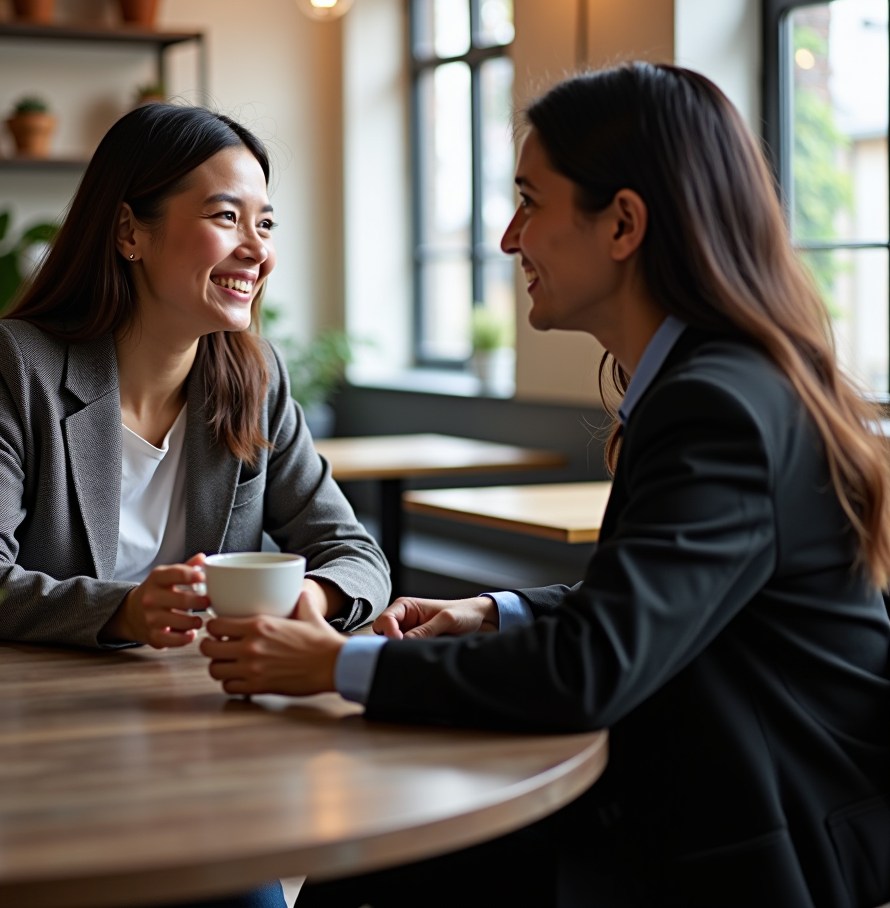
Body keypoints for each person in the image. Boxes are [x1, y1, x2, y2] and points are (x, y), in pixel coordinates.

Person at [198, 64, 890, 907]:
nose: (507, 238)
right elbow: (660, 605)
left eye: (531, 200)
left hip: (759, 840)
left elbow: (594, 667)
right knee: (380, 854)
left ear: (623, 224)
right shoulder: (710, 384)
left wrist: (339, 663)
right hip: (704, 790)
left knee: (378, 857)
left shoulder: (719, 406)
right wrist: (493, 611)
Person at [0, 104, 391, 908]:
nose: (258, 250)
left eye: (266, 223)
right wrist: (125, 612)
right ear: (130, 232)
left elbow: (356, 554)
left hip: (206, 750)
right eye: (225, 217)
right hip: (47, 758)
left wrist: (309, 596)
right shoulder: (11, 364)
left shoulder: (253, 376)